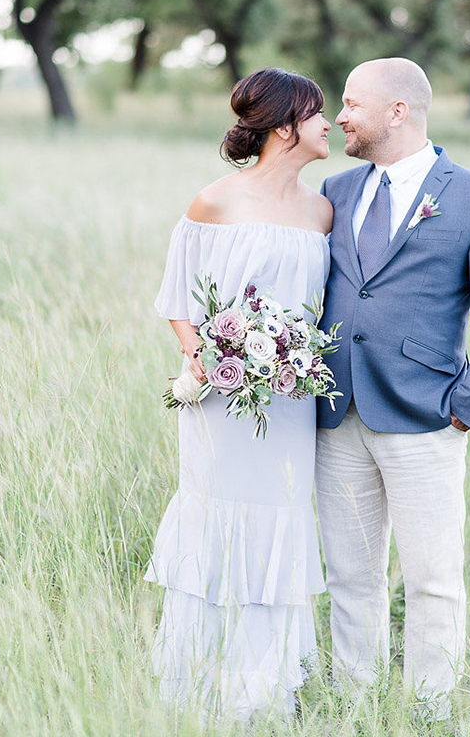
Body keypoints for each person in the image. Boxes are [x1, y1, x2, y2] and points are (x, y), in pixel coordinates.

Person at [315, 57, 470, 719]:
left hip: (426, 418)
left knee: (432, 579)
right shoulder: (337, 191)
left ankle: (429, 711)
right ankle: (357, 704)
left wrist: (466, 410)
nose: (339, 117)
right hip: (336, 410)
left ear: (397, 112)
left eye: (351, 103)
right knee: (350, 575)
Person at [145, 68, 333, 721]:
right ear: (284, 126)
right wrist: (205, 358)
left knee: (282, 518)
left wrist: (290, 354)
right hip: (223, 405)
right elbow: (177, 300)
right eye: (316, 114)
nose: (329, 124)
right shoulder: (214, 201)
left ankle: (265, 689)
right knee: (218, 518)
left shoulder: (321, 210)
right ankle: (198, 684)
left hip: (290, 403)